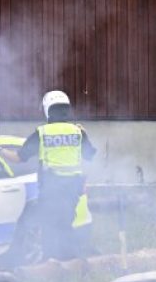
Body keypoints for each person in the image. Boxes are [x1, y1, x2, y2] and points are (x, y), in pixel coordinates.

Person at [17, 90, 96, 260]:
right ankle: (69, 261)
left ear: (47, 109)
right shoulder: (77, 131)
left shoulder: (42, 132)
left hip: (51, 187)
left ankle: (51, 262)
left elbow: (20, 156)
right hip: (72, 190)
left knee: (50, 225)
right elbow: (90, 156)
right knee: (66, 224)